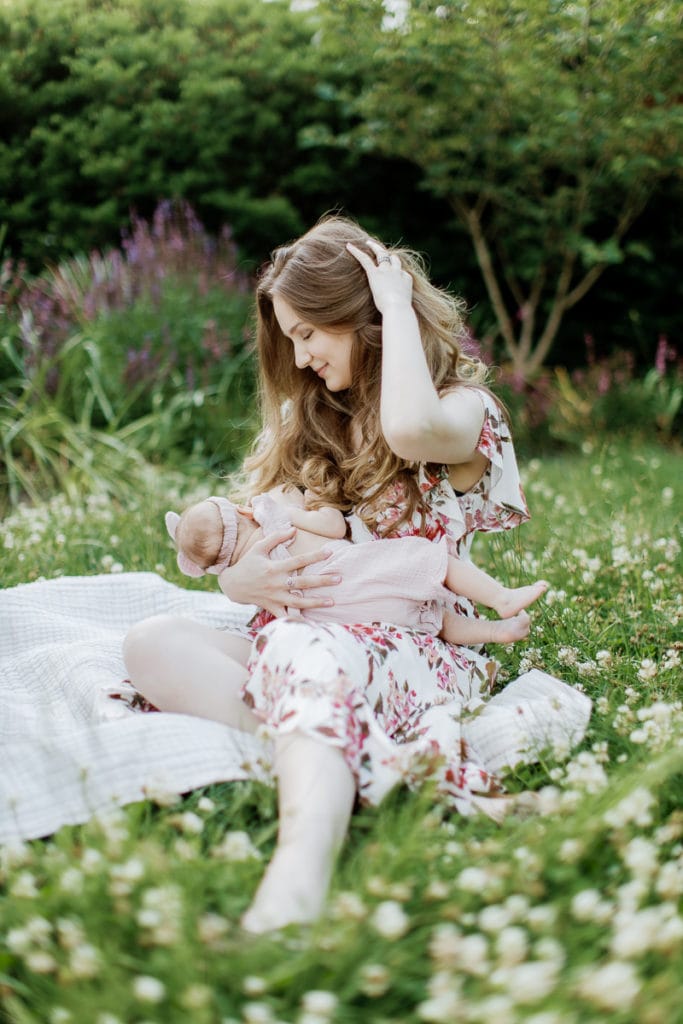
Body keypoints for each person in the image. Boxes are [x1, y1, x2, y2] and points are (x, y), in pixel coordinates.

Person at [123, 215, 589, 933]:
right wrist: (234, 583)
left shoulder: (464, 412)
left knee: (308, 658)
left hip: (414, 644)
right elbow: (250, 531)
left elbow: (407, 430)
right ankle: (360, 763)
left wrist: (396, 306)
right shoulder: (310, 418)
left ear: (360, 313)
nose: (299, 356)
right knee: (151, 643)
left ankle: (299, 873)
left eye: (308, 333)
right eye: (290, 339)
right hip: (305, 635)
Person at [164, 489, 548, 645]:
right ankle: (501, 597)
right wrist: (306, 507)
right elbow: (334, 525)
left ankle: (496, 632)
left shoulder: (250, 571)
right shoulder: (271, 515)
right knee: (434, 563)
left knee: (432, 623)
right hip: (359, 568)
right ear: (244, 511)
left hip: (342, 615)